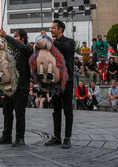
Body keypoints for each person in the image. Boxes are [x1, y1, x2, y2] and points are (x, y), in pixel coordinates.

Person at [0, 28, 33, 148]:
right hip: (9, 86)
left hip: (21, 86)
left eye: (16, 36)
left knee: (19, 113)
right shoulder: (12, 51)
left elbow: (22, 47)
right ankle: (6, 136)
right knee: (7, 111)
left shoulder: (27, 49)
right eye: (13, 36)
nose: (14, 38)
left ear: (22, 38)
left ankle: (20, 138)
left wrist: (7, 37)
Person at [44, 20, 75, 149]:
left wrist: (51, 41)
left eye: (53, 28)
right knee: (55, 110)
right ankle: (57, 137)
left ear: (60, 29)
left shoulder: (69, 41)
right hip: (55, 81)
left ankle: (67, 138)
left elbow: (66, 48)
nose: (51, 30)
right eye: (51, 28)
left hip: (67, 80)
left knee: (67, 110)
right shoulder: (52, 44)